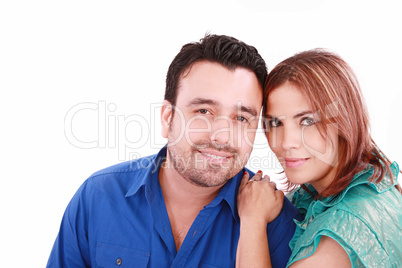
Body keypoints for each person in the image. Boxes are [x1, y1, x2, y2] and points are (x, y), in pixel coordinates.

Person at [47, 34, 301, 267]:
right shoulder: (98, 197)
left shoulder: (276, 222)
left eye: (242, 118)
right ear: (168, 118)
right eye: (203, 112)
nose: (222, 136)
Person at [236, 49, 402, 267]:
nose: (286, 142)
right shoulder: (367, 181)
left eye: (307, 121)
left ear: (344, 121)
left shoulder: (338, 240)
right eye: (276, 123)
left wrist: (252, 221)